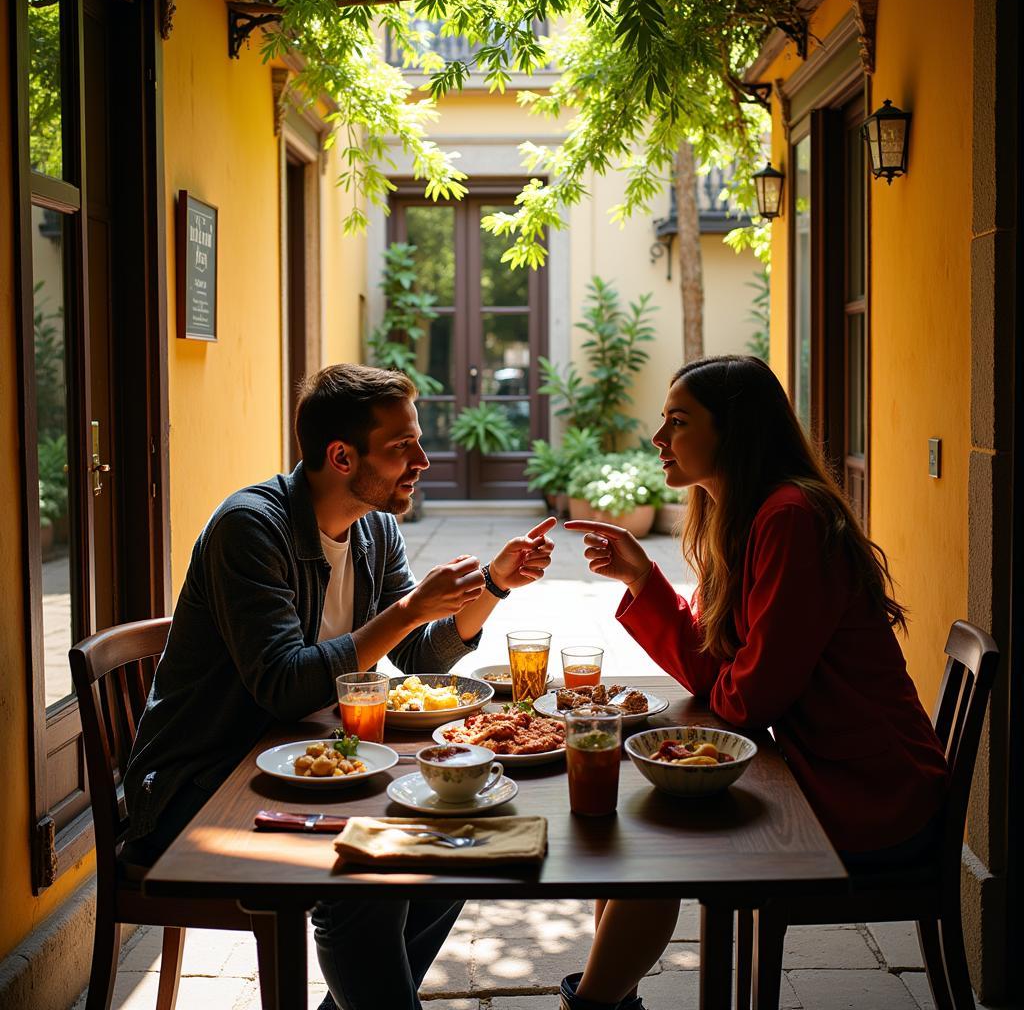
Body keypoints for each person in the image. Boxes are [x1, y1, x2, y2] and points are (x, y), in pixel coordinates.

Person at [122, 363, 555, 1010]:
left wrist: (490, 587)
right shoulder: (252, 527)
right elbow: (285, 688)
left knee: (453, 852)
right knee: (366, 888)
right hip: (203, 785)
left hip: (312, 763)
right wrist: (409, 609)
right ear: (342, 455)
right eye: (401, 446)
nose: (423, 459)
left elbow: (414, 654)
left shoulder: (374, 527)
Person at [560, 355, 949, 1010]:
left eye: (677, 422)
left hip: (872, 793)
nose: (659, 440)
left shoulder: (790, 517)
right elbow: (726, 677)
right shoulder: (747, 516)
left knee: (657, 827)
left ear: (733, 431)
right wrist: (641, 580)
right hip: (820, 769)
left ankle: (596, 1004)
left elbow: (747, 698)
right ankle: (606, 1001)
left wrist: (722, 687)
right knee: (646, 808)